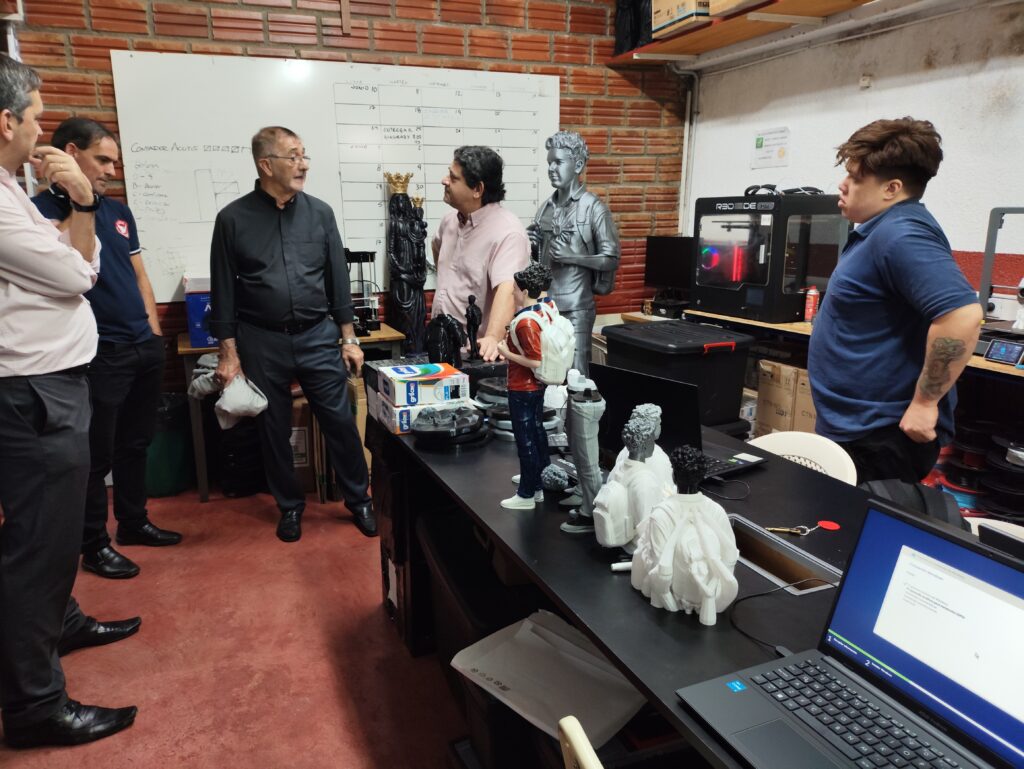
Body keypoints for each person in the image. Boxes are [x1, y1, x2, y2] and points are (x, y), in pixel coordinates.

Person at [0, 54, 138, 748]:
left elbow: (67, 257)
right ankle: (35, 706)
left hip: (47, 386)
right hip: (31, 392)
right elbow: (79, 271)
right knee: (39, 546)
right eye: (33, 118)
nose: (39, 132)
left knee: (49, 539)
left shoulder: (10, 190)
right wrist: (82, 201)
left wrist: (75, 228)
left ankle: (63, 622)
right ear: (6, 123)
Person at [33, 117, 181, 581]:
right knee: (95, 456)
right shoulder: (36, 212)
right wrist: (79, 201)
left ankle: (133, 522)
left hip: (141, 345)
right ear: (71, 153)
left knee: (136, 443)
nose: (110, 172)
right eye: (102, 160)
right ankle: (94, 545)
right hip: (97, 354)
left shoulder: (119, 212)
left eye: (114, 163)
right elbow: (64, 271)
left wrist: (152, 331)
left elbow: (139, 274)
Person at [210, 126, 375, 542]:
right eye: (293, 156)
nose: (303, 165)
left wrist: (349, 338)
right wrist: (228, 353)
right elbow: (224, 290)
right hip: (261, 340)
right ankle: (290, 507)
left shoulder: (320, 214)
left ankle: (360, 499)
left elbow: (337, 279)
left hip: (317, 336)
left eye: (304, 155)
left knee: (340, 421)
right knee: (273, 429)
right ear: (266, 165)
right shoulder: (232, 219)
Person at [808, 117, 982, 483]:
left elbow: (962, 315)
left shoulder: (901, 234)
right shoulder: (880, 230)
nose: (843, 184)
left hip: (880, 438)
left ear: (891, 188)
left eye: (856, 178)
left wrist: (925, 403)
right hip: (857, 430)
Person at [530, 131, 620, 375]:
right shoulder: (545, 208)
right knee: (545, 373)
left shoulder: (593, 208)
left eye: (558, 162)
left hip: (576, 308)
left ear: (578, 165)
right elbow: (540, 264)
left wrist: (572, 257)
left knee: (576, 375)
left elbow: (611, 259)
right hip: (545, 307)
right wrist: (534, 245)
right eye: (550, 162)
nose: (551, 168)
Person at [432, 145, 530, 362]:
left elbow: (508, 289)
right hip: (440, 344)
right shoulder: (449, 221)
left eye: (453, 178)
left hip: (478, 356)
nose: (444, 181)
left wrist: (493, 337)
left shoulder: (507, 232)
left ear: (477, 189)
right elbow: (437, 248)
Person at [496, 263, 556, 510]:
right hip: (537, 385)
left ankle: (527, 494)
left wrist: (505, 352)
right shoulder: (548, 308)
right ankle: (537, 479)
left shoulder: (525, 322)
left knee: (526, 441)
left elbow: (535, 360)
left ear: (524, 291)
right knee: (537, 432)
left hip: (523, 387)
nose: (512, 293)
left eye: (515, 289)